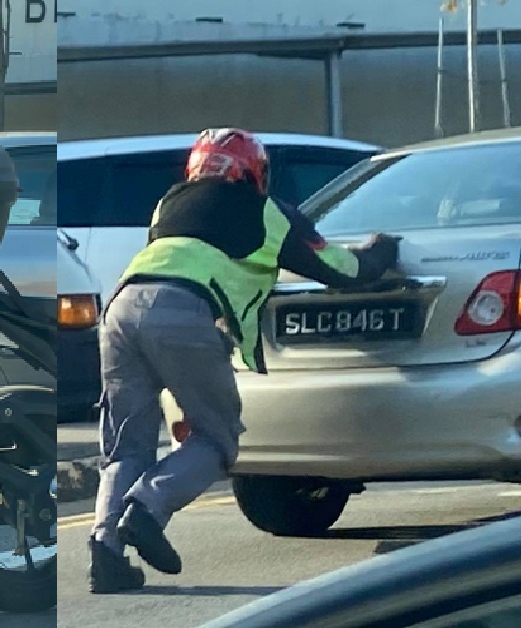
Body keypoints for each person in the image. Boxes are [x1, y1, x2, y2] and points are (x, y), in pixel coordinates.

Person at [88, 129, 401, 593]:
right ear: (254, 172)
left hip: (119, 308)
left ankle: (105, 549)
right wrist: (381, 251)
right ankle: (147, 508)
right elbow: (341, 270)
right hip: (185, 313)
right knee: (216, 437)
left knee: (127, 444)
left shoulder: (168, 205)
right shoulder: (268, 213)